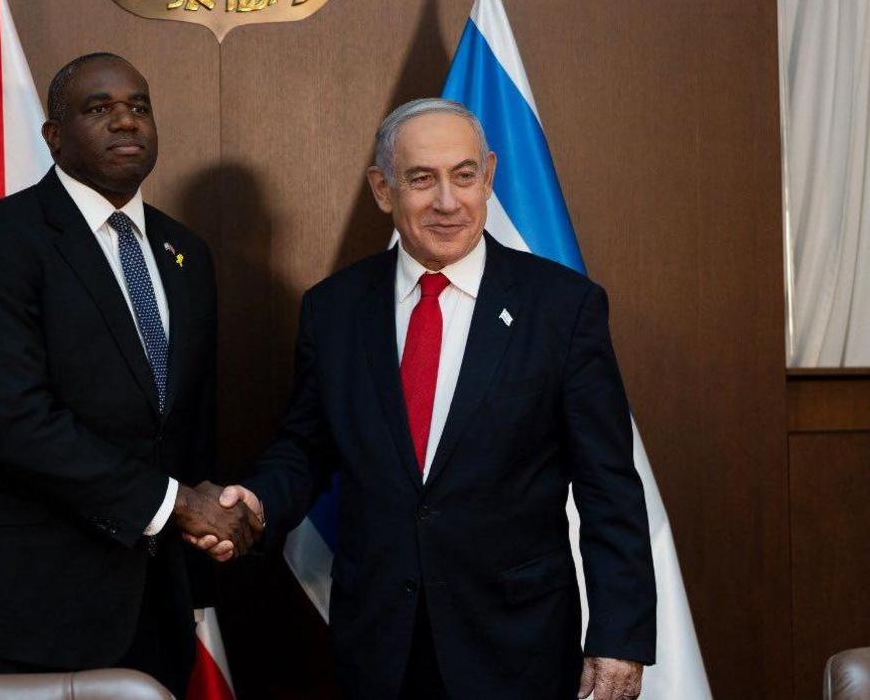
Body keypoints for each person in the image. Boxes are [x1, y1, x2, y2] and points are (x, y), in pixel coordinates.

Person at [202, 99, 656, 699]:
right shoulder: (334, 309)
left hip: (517, 644)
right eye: (422, 179)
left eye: (464, 176)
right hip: (381, 646)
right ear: (382, 189)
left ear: (489, 176)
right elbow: (306, 448)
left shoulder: (563, 308)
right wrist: (256, 501)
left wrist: (618, 637)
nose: (448, 201)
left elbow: (609, 487)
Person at [0, 53, 259, 697]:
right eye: (99, 109)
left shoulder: (186, 254)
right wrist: (176, 504)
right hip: (13, 608)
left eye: (139, 107)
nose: (126, 122)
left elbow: (184, 424)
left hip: (150, 608)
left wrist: (202, 543)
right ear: (53, 135)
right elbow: (12, 416)